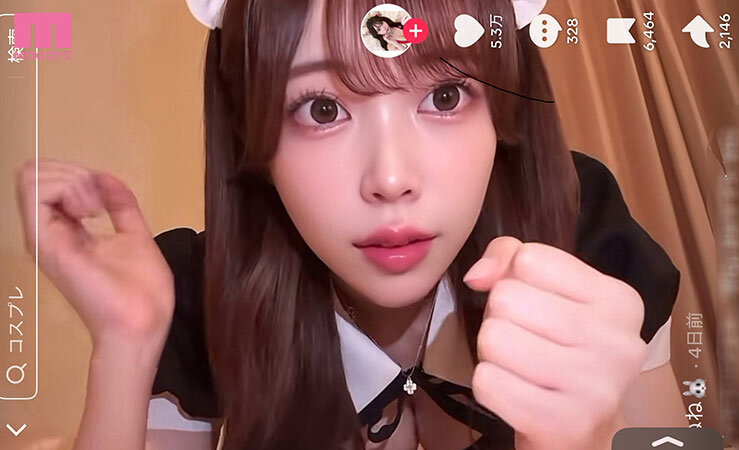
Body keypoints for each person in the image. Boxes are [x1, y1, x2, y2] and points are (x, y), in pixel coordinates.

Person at [13, 0, 689, 448]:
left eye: (445, 95)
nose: (391, 178)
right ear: (253, 134)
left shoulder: (580, 236)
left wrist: (597, 435)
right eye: (322, 109)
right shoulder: (194, 293)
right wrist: (126, 347)